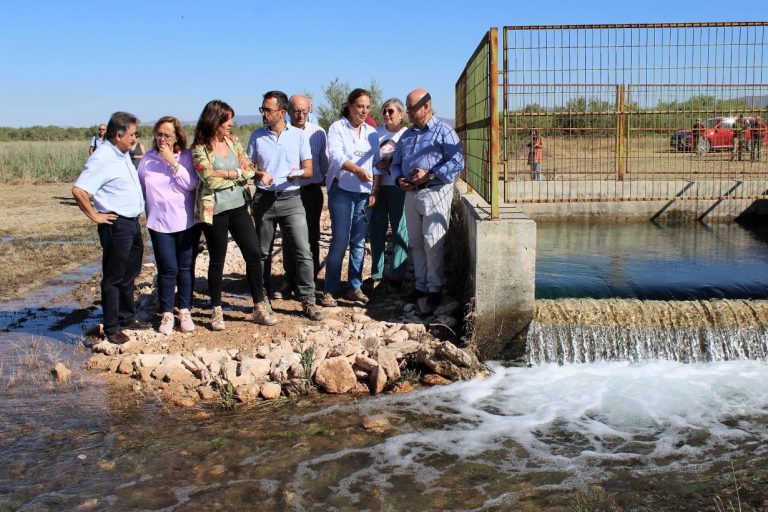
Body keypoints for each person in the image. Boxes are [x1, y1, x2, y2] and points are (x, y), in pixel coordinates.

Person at [191, 100, 276, 330]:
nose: (231, 124)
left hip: (239, 206)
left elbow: (249, 169)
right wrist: (236, 174)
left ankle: (258, 306)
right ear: (214, 120)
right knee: (217, 260)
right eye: (227, 120)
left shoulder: (234, 141)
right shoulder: (199, 148)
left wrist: (229, 173)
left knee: (254, 254)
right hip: (215, 211)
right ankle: (216, 310)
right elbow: (209, 179)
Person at [72, 112, 150, 344]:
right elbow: (79, 190)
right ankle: (112, 327)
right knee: (114, 277)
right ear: (118, 135)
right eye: (132, 134)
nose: (135, 138)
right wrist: (95, 215)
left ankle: (126, 317)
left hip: (132, 222)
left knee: (130, 273)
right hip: (116, 223)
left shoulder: (122, 153)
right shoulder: (102, 157)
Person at [246, 91, 323, 321]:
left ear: (281, 112)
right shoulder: (257, 136)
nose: (263, 114)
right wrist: (259, 174)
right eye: (262, 109)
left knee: (303, 250)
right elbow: (247, 169)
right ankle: (262, 300)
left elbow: (309, 170)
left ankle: (308, 300)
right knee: (262, 253)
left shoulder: (299, 136)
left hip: (292, 199)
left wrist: (297, 173)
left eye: (267, 110)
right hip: (264, 200)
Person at [391, 89, 464, 315]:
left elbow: (457, 161)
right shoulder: (407, 134)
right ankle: (420, 286)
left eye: (411, 108)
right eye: (407, 108)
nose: (408, 112)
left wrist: (429, 174)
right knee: (415, 241)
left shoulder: (444, 131)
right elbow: (395, 163)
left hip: (435, 191)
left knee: (433, 242)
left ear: (426, 107)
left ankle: (435, 289)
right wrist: (398, 179)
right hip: (411, 193)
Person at [137, 116, 199, 335]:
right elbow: (142, 188)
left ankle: (185, 310)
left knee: (185, 268)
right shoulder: (147, 160)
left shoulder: (186, 156)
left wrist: (172, 162)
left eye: (167, 135)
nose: (162, 139)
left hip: (185, 221)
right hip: (159, 223)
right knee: (167, 269)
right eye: (159, 134)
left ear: (177, 137)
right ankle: (166, 313)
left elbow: (191, 184)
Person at [321, 88, 381, 307]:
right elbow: (336, 156)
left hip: (364, 192)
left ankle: (354, 286)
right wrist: (356, 170)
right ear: (350, 106)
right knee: (340, 240)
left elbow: (376, 163)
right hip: (342, 190)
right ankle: (330, 288)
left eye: (367, 107)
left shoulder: (372, 132)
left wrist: (375, 190)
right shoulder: (337, 128)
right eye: (359, 106)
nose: (364, 111)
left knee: (358, 241)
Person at [272, 94, 329, 299]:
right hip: (289, 192)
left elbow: (324, 163)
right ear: (288, 111)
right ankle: (290, 278)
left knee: (312, 236)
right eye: (297, 111)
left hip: (311, 191)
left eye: (305, 111)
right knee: (289, 236)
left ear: (309, 110)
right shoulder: (282, 133)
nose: (301, 115)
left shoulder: (319, 133)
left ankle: (310, 280)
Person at [367, 98, 409, 291]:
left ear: (401, 114)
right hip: (377, 187)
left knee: (400, 230)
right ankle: (376, 273)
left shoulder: (407, 134)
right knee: (376, 230)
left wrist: (390, 162)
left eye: (391, 111)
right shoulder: (375, 133)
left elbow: (409, 158)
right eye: (384, 111)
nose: (386, 114)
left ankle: (397, 275)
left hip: (398, 187)